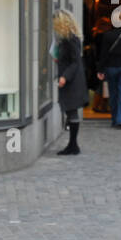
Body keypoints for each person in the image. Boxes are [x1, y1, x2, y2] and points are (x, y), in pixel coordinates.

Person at [53, 9, 88, 154]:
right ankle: (73, 145)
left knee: (72, 112)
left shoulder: (71, 39)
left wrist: (64, 77)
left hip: (71, 81)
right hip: (71, 79)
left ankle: (73, 146)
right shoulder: (67, 38)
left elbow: (75, 62)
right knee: (70, 111)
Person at [97, 19, 121, 129]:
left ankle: (115, 119)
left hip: (112, 67)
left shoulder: (107, 36)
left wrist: (100, 70)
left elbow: (103, 54)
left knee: (113, 94)